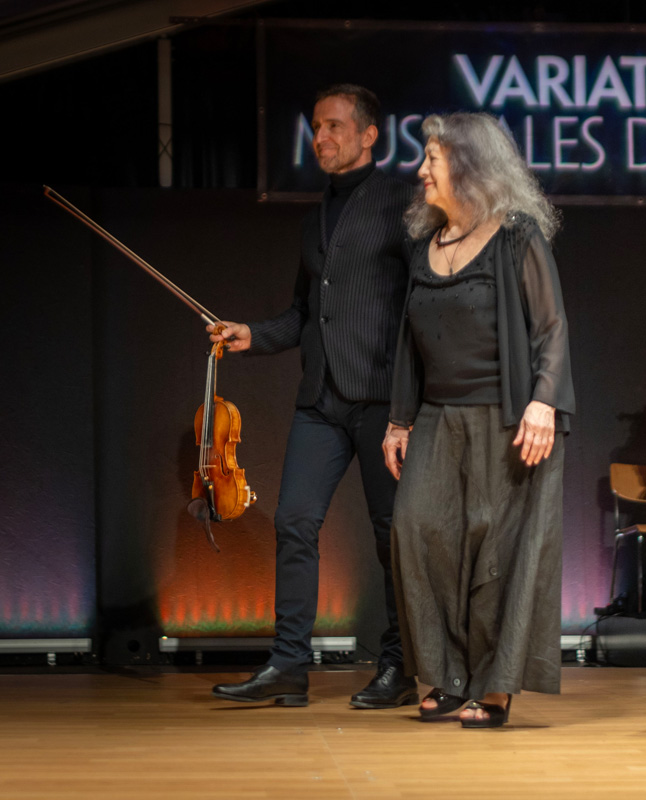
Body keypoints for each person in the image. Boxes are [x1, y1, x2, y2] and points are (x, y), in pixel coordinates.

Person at [208, 85, 417, 709]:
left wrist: (409, 406)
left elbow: (421, 306)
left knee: (392, 536)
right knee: (294, 522)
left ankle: (400, 666)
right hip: (321, 399)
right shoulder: (314, 217)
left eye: (333, 126)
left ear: (369, 135)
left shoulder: (404, 203)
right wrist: (253, 335)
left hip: (382, 401)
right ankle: (289, 665)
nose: (320, 137)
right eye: (316, 127)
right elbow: (304, 312)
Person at [382, 112, 574, 729]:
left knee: (497, 551)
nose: (421, 170)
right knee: (417, 532)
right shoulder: (425, 247)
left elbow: (550, 326)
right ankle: (446, 675)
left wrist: (544, 400)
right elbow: (409, 343)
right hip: (438, 416)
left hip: (507, 418)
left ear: (469, 165)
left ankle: (493, 686)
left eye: (432, 159)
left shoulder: (516, 235)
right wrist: (399, 421)